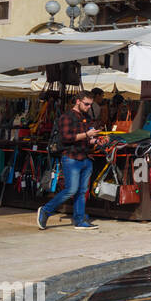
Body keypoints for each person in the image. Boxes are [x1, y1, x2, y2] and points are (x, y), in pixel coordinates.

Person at [37, 92, 101, 231]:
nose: (89, 107)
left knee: (82, 191)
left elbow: (86, 139)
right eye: (86, 104)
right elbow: (66, 138)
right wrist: (87, 135)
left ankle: (79, 220)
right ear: (78, 101)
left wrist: (96, 140)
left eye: (91, 104)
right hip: (71, 157)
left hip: (85, 157)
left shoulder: (87, 117)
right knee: (71, 190)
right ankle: (46, 210)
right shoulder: (66, 117)